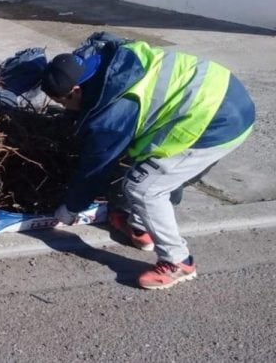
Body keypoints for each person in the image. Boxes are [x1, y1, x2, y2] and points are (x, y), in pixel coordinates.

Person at [41, 32, 255, 290]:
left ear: (75, 90)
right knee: (146, 164)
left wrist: (70, 208)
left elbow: (95, 168)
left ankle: (178, 262)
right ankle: (141, 229)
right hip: (221, 88)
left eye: (62, 102)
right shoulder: (110, 58)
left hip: (218, 121)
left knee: (144, 188)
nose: (65, 108)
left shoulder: (113, 114)